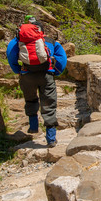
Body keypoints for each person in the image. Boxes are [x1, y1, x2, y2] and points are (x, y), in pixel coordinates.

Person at [6, 15, 67, 148]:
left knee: (31, 99)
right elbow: (62, 58)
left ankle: (33, 127)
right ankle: (51, 139)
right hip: (46, 75)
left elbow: (10, 54)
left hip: (27, 74)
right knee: (49, 104)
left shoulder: (19, 40)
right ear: (42, 31)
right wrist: (56, 72)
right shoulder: (50, 41)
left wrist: (18, 69)